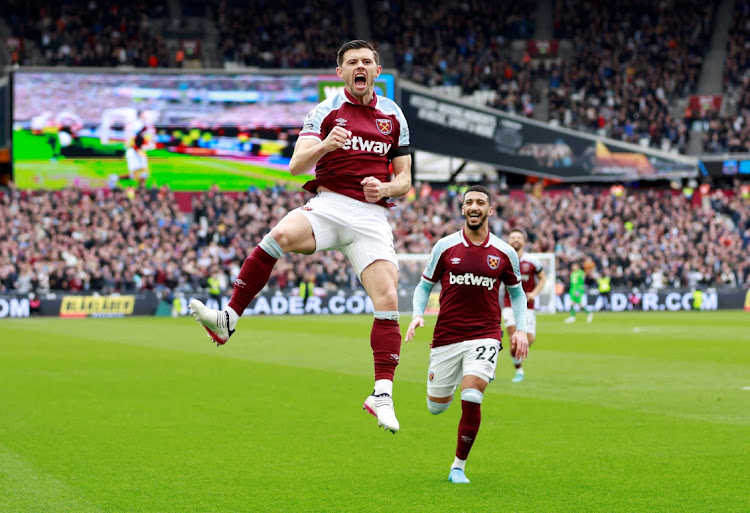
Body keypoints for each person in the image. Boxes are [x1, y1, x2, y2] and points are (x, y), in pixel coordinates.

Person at [189, 40, 412, 434]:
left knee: (389, 297)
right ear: (340, 72)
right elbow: (295, 166)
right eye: (351, 62)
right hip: (329, 204)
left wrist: (388, 189)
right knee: (279, 235)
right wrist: (326, 145)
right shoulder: (324, 112)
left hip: (371, 215)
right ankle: (228, 318)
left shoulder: (393, 114)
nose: (360, 67)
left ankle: (381, 393)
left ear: (377, 70)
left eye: (366, 61)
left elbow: (405, 180)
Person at [405, 185, 529, 483]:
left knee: (472, 395)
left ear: (489, 210)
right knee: (436, 407)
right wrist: (417, 314)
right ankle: (451, 385)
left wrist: (521, 330)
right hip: (446, 336)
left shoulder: (504, 252)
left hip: (485, 335)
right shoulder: (445, 247)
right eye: (469, 202)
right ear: (462, 209)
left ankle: (458, 466)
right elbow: (424, 286)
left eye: (480, 202)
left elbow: (518, 294)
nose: (474, 206)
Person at [501, 229, 546, 383]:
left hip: (528, 306)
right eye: (513, 237)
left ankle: (517, 363)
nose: (516, 239)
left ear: (524, 241)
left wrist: (534, 293)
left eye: (519, 237)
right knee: (516, 340)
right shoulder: (503, 260)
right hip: (509, 305)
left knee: (529, 339)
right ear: (509, 240)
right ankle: (519, 370)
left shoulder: (532, 261)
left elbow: (542, 278)